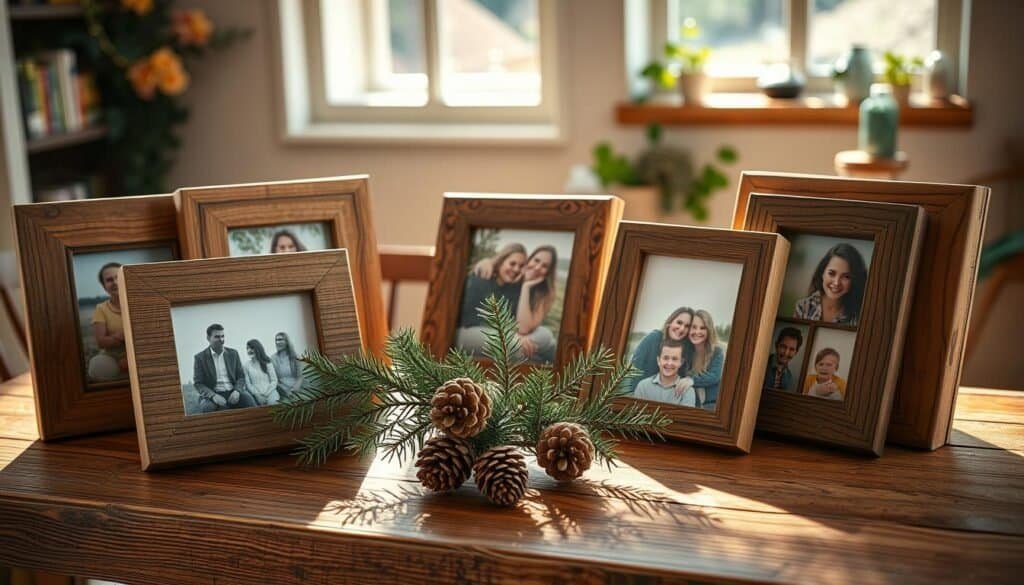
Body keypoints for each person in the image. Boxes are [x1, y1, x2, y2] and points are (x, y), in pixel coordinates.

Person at [455, 243, 527, 355]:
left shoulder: (515, 288)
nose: (516, 269)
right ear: (501, 262)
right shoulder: (482, 278)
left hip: (492, 334)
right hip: (466, 330)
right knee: (514, 347)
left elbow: (513, 321)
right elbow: (468, 319)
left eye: (521, 266)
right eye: (512, 264)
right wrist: (510, 335)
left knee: (544, 339)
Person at [794, 243, 868, 326]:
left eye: (846, 276)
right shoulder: (803, 307)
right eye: (831, 273)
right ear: (822, 272)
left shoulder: (860, 316)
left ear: (854, 280)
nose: (836, 283)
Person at [191, 323, 255, 414]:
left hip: (233, 391)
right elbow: (198, 383)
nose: (221, 340)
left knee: (250, 402)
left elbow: (241, 376)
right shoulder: (200, 358)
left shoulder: (233, 353)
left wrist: (237, 391)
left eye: (222, 336)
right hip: (213, 393)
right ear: (208, 338)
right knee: (206, 408)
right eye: (217, 337)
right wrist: (213, 396)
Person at [628, 307, 694, 391]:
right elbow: (635, 367)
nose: (681, 329)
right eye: (679, 322)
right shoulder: (653, 338)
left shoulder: (687, 349)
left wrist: (690, 379)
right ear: (670, 322)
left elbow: (688, 374)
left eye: (687, 326)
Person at [87, 262, 128, 382]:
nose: (115, 282)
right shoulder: (101, 309)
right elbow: (101, 342)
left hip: (141, 355)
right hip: (113, 356)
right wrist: (122, 336)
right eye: (109, 280)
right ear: (104, 286)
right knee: (98, 366)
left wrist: (115, 337)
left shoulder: (142, 303)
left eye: (118, 277)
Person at [679, 309, 725, 411]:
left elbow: (714, 376)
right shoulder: (686, 351)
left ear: (709, 330)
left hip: (711, 406)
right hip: (690, 403)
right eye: (693, 327)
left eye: (702, 328)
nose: (697, 332)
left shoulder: (717, 351)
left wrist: (692, 380)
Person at [633, 339, 695, 407]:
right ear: (658, 360)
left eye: (674, 359)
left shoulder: (688, 391)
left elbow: (685, 417)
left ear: (681, 362)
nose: (669, 363)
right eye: (666, 358)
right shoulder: (643, 386)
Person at [763, 327, 803, 392]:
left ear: (796, 352)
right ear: (776, 345)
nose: (786, 353)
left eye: (791, 349)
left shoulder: (789, 377)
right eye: (783, 347)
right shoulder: (762, 364)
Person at [243, 339, 279, 406]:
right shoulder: (246, 365)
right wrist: (257, 395)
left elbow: (274, 380)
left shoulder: (267, 362)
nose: (249, 350)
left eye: (252, 348)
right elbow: (248, 384)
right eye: (247, 348)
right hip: (256, 394)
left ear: (258, 348)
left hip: (270, 392)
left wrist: (266, 394)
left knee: (273, 405)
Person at [272, 331, 303, 400]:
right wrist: (285, 391)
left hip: (296, 388)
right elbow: (275, 380)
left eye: (280, 340)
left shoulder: (296, 357)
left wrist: (294, 390)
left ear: (286, 342)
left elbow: (300, 377)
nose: (277, 342)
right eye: (276, 340)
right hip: (282, 389)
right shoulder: (273, 358)